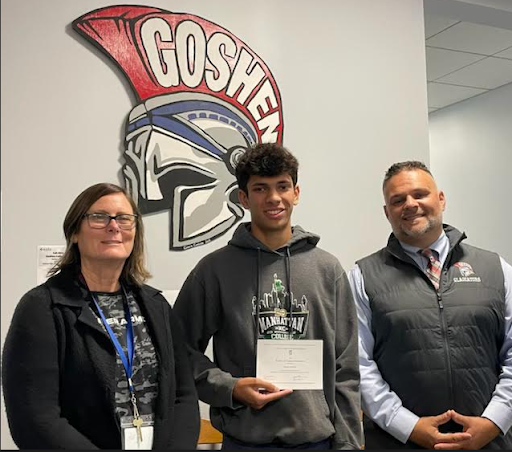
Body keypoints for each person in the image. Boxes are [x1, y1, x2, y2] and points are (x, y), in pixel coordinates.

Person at [173, 143, 362, 450]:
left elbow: (347, 368)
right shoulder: (214, 270)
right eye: (260, 188)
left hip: (317, 441)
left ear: (296, 193)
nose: (274, 198)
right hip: (244, 441)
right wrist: (229, 388)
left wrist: (349, 443)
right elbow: (177, 348)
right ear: (243, 198)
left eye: (282, 186)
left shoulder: (328, 269)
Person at [2, 183, 200, 449]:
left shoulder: (156, 305)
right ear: (74, 232)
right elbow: (36, 419)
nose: (114, 226)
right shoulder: (41, 308)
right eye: (99, 217)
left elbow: (183, 397)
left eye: (124, 218)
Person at [349, 161, 512, 450]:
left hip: (490, 442)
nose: (410, 205)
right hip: (398, 443)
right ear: (387, 213)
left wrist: (494, 421)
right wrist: (407, 426)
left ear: (441, 199)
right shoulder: (362, 276)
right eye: (397, 200)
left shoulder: (495, 268)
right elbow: (358, 364)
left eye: (420, 194)